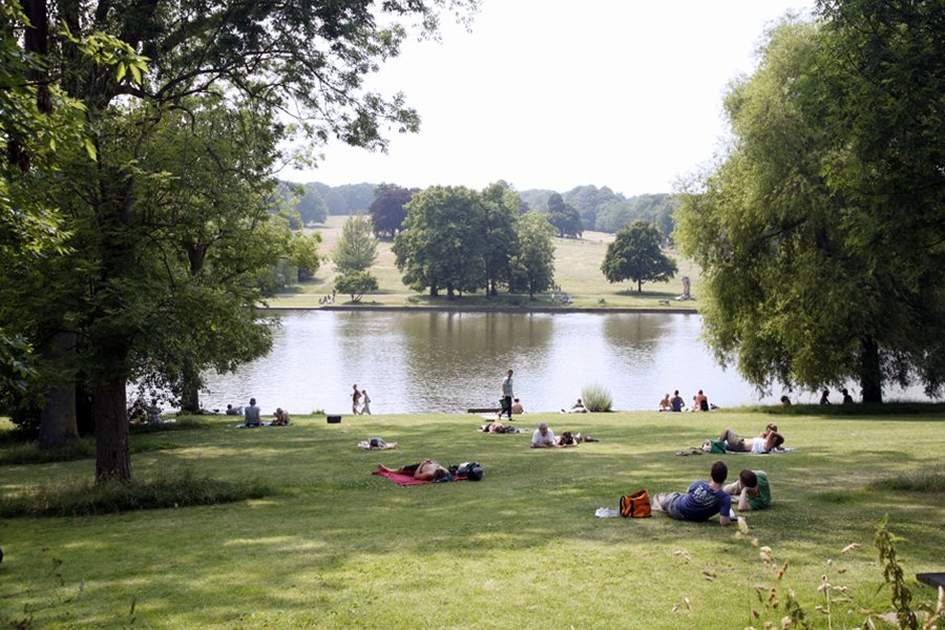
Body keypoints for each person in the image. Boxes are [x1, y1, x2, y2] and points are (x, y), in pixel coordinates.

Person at [653, 461, 733, 526]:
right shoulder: (724, 499)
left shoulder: (699, 483)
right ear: (725, 478)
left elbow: (688, 491)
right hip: (691, 515)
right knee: (678, 495)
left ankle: (659, 503)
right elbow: (724, 522)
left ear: (711, 475)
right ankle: (661, 504)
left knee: (663, 496)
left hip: (677, 507)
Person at [718, 426, 784, 453]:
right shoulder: (765, 443)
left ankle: (716, 445)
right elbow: (761, 437)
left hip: (740, 445)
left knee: (727, 430)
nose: (769, 435)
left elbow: (772, 433)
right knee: (724, 443)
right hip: (740, 443)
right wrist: (765, 434)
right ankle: (715, 445)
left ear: (774, 440)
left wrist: (776, 435)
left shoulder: (767, 447)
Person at [376, 459, 451, 482]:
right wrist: (432, 462)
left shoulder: (429, 474)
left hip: (420, 468)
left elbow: (416, 476)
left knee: (402, 469)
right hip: (428, 464)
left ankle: (389, 470)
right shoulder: (445, 471)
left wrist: (421, 464)